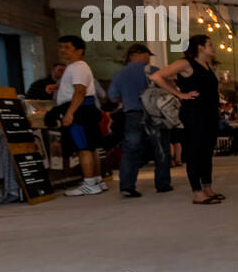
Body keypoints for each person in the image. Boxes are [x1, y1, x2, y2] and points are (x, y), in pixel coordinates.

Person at [151, 35, 223, 205]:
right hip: (194, 113)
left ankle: (207, 187)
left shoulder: (207, 65)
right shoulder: (186, 63)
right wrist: (179, 93)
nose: (213, 47)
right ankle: (197, 192)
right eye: (210, 45)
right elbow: (157, 76)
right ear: (199, 47)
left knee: (207, 152)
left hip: (210, 112)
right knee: (195, 152)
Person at [109, 43, 171, 197]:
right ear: (140, 54)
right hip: (155, 114)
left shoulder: (119, 74)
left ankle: (127, 186)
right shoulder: (154, 72)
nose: (148, 58)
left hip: (132, 114)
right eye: (147, 55)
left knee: (130, 150)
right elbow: (168, 90)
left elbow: (113, 96)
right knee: (161, 148)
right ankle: (162, 184)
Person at [54, 35, 107, 197]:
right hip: (84, 108)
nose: (62, 50)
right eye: (61, 47)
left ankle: (89, 183)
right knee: (91, 147)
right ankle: (97, 180)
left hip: (79, 110)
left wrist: (70, 113)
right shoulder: (75, 67)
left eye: (67, 47)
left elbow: (80, 91)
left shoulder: (77, 67)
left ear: (79, 50)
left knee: (83, 148)